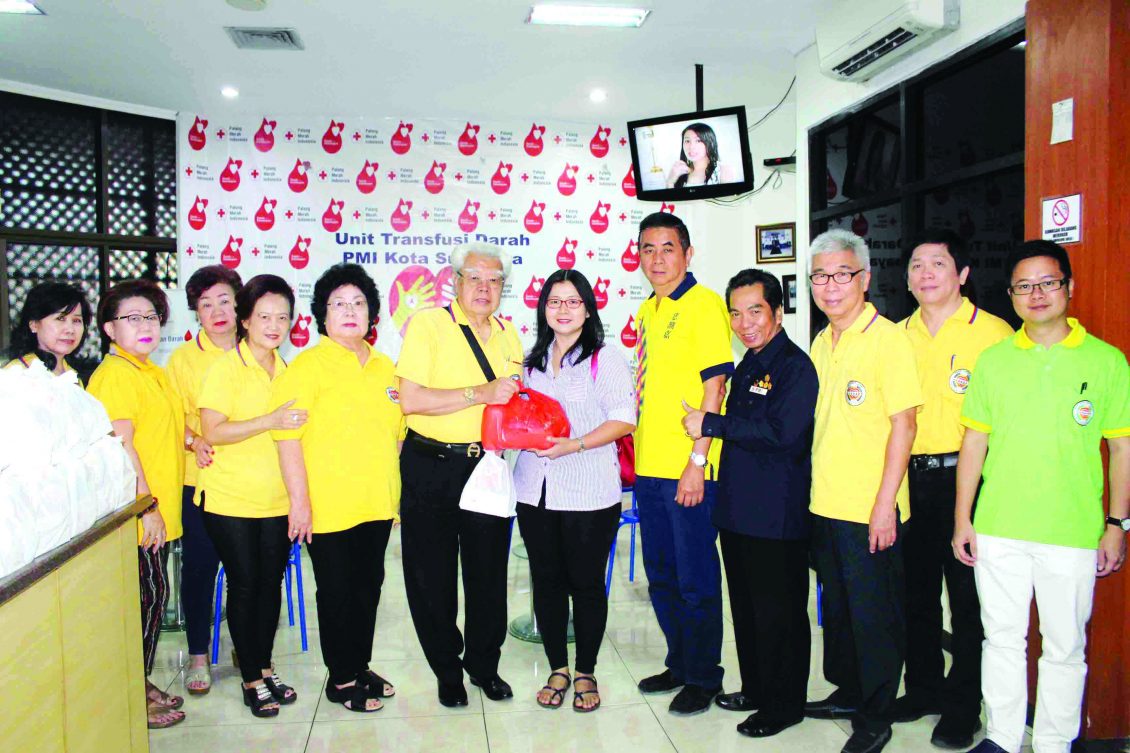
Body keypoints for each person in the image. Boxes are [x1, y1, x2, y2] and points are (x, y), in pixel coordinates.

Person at [954, 240, 1129, 753]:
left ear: (1069, 287)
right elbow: (974, 443)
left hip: (1071, 530)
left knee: (1065, 647)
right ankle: (1003, 737)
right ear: (1010, 295)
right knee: (1001, 640)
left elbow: (1121, 448)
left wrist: (1116, 524)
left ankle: (1054, 742)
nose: (1036, 294)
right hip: (998, 526)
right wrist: (963, 519)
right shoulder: (994, 361)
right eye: (1024, 286)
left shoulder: (1107, 362)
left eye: (1047, 283)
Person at [682, 269, 818, 738]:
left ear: (778, 312)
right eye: (736, 314)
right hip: (739, 512)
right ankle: (757, 688)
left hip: (777, 516)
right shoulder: (749, 365)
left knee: (780, 613)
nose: (745, 324)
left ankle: (784, 705)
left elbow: (783, 434)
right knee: (746, 609)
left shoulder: (795, 368)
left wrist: (711, 423)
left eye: (755, 311)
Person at [803, 229, 923, 753]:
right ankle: (849, 692)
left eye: (842, 275)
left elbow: (905, 426)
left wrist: (884, 505)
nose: (830, 286)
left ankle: (876, 714)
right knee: (840, 611)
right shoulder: (821, 341)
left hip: (870, 507)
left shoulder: (888, 340)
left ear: (865, 278)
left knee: (875, 615)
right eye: (820, 276)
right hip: (824, 503)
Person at [893, 230, 1013, 749]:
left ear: (962, 274)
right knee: (914, 593)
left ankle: (964, 707)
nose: (925, 274)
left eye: (937, 264)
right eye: (917, 265)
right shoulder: (897, 335)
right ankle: (922, 689)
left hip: (970, 483)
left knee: (967, 602)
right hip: (909, 480)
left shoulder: (994, 333)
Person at [396, 242, 524, 708]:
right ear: (455, 282)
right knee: (431, 578)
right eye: (474, 278)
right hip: (430, 464)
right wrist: (479, 393)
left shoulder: (509, 335)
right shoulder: (428, 325)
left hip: (486, 466)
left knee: (488, 574)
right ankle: (447, 671)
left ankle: (484, 666)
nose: (484, 288)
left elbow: (512, 402)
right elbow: (410, 400)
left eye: (494, 280)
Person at [271, 263, 401, 713]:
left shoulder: (385, 367)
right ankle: (341, 679)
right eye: (339, 304)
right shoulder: (307, 367)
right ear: (322, 315)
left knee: (369, 589)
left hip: (377, 503)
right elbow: (286, 438)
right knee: (337, 593)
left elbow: (397, 435)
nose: (349, 311)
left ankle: (359, 665)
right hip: (327, 506)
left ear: (372, 313)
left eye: (358, 303)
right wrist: (299, 503)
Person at [512, 269, 636, 712]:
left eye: (572, 301)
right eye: (554, 301)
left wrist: (574, 444)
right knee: (546, 582)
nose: (562, 310)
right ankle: (557, 668)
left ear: (587, 309)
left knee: (585, 584)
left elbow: (625, 419)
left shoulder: (605, 359)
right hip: (534, 491)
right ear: (543, 309)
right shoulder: (530, 363)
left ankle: (585, 671)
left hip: (589, 491)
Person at [632, 212, 734, 715]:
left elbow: (715, 388)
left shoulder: (704, 305)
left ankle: (704, 676)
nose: (657, 259)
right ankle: (680, 661)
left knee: (695, 578)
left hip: (688, 468)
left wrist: (698, 460)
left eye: (667, 248)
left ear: (688, 254)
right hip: (649, 466)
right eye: (648, 249)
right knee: (662, 575)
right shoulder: (647, 310)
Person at [197, 274, 302, 718]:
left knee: (270, 583)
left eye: (282, 317)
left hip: (277, 498)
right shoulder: (225, 369)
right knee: (245, 583)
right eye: (264, 317)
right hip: (230, 499)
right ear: (244, 320)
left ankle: (265, 665)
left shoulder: (288, 370)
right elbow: (212, 431)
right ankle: (251, 679)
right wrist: (268, 420)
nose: (274, 326)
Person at [87, 279, 188, 729]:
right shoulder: (115, 376)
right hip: (138, 515)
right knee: (145, 601)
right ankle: (130, 696)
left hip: (156, 510)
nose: (145, 325)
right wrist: (147, 508)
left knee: (151, 598)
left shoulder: (150, 371)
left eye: (151, 317)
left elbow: (164, 428)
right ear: (109, 328)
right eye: (132, 318)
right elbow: (121, 447)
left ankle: (139, 681)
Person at [166, 264, 242, 695]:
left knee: (248, 571)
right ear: (196, 312)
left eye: (224, 301)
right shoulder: (183, 360)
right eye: (206, 304)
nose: (217, 312)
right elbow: (171, 419)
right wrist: (194, 440)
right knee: (199, 568)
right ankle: (198, 653)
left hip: (251, 483)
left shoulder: (257, 350)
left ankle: (248, 647)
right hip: (201, 481)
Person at [5, 281, 91, 377]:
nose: (70, 330)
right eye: (60, 318)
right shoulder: (17, 373)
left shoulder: (75, 375)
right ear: (34, 324)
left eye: (76, 320)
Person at [666, 122, 736, 189]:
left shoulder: (723, 170)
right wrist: (670, 182)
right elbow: (672, 197)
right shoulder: (679, 172)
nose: (691, 147)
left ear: (710, 143)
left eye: (698, 141)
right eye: (687, 141)